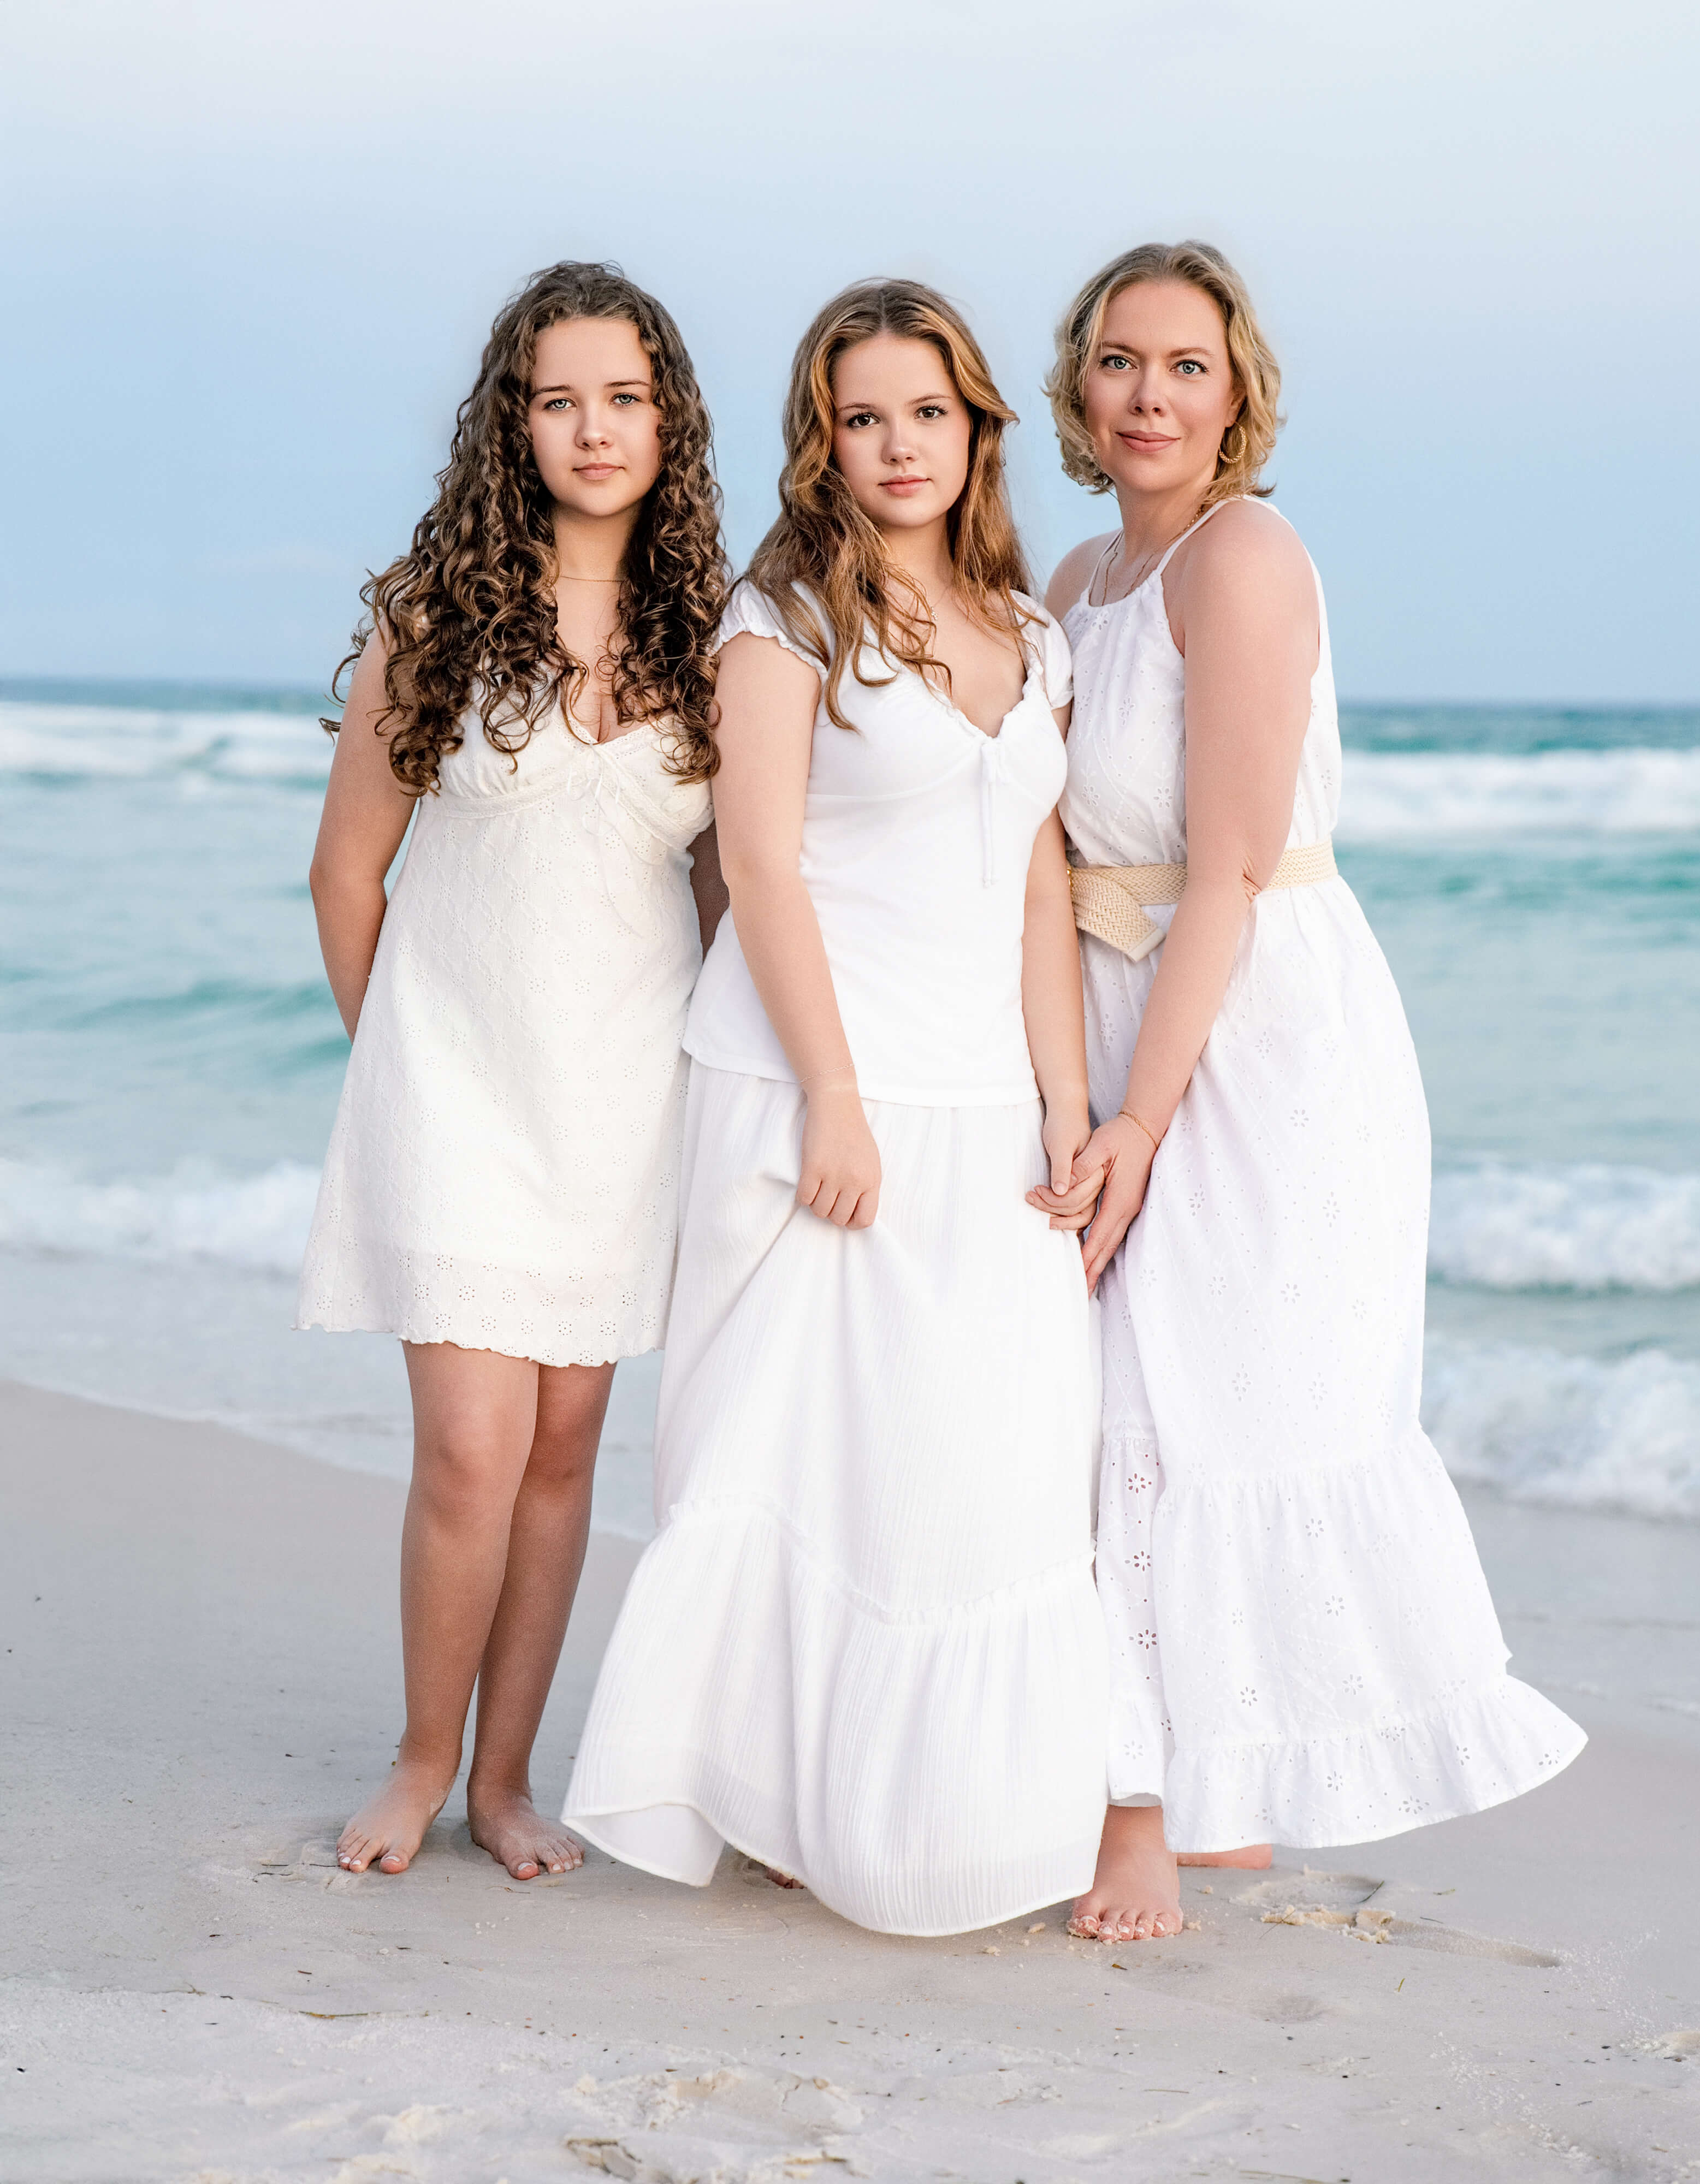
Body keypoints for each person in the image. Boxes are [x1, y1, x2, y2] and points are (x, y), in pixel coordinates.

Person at [1036, 242, 1586, 1943]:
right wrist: (1067, 1085)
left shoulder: (1245, 558)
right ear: (1078, 384)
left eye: (1185, 366)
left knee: (1196, 1393)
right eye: (1120, 361)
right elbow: (1048, 861)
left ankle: (1156, 1809)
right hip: (1123, 1003)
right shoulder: (1075, 576)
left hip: (1259, 1030)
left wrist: (1141, 1113)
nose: (1149, 394)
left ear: (1238, 389)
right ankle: (1180, 1779)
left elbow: (1229, 867)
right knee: (1102, 1390)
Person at [564, 279, 1109, 1936]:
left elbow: (1037, 893)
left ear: (977, 427)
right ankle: (765, 1794)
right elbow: (761, 865)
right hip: (813, 1091)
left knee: (985, 1461)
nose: (898, 446)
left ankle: (941, 1804)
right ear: (826, 435)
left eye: (927, 413)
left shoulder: (1033, 630)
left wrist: (1071, 1115)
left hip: (984, 1103)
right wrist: (834, 1100)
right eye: (863, 416)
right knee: (793, 1458)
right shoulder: (783, 612)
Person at [298, 261, 729, 1881]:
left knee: (562, 1458)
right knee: (470, 1451)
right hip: (454, 1096)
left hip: (630, 1101)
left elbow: (725, 900)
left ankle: (508, 1779)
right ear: (514, 420)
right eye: (560, 398)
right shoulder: (438, 610)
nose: (594, 427)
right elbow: (349, 876)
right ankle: (421, 1758)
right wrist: (399, 1071)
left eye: (624, 397)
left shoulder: (714, 634)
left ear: (667, 418)